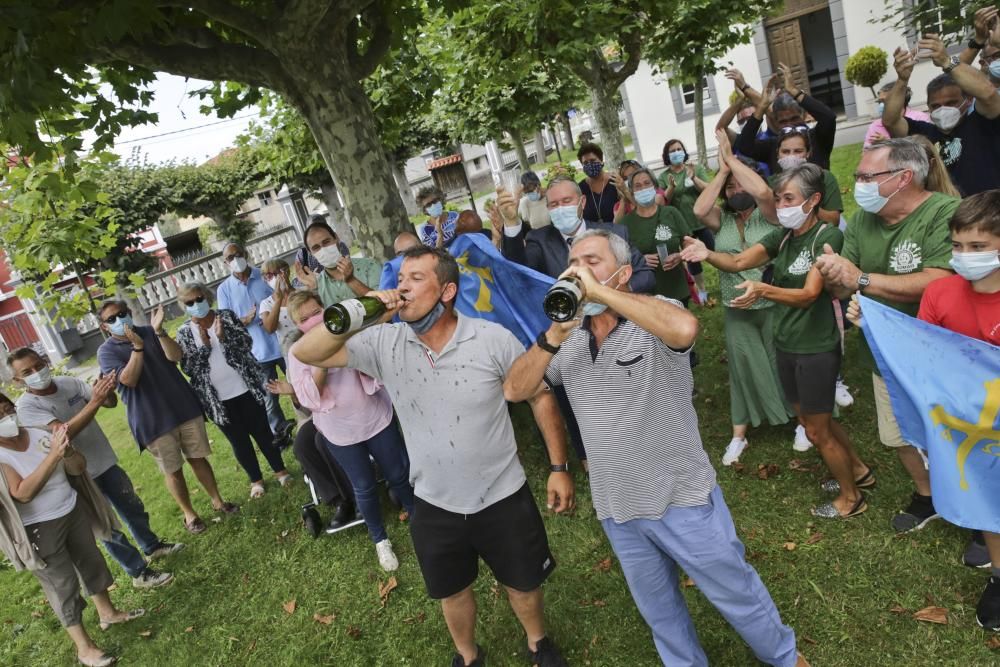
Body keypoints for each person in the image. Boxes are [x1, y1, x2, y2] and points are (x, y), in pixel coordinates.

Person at [503, 230, 810, 667]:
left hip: (681, 496)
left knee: (735, 590)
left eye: (592, 261)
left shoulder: (660, 316)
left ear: (623, 274)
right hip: (618, 507)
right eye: (572, 263)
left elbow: (686, 329)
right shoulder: (566, 340)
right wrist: (554, 331)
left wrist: (604, 295)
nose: (577, 271)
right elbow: (516, 390)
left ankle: (785, 657)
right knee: (659, 611)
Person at [292, 245, 575, 667]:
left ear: (446, 291)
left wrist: (558, 467)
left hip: (503, 494)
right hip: (434, 500)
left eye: (415, 278)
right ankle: (467, 654)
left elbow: (537, 396)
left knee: (523, 582)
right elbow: (307, 352)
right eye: (400, 278)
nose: (401, 286)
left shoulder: (491, 338)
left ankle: (538, 642)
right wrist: (362, 311)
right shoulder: (384, 342)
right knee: (452, 590)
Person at [847, 189, 1000, 630]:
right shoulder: (941, 291)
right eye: (957, 246)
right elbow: (923, 351)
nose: (964, 256)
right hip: (967, 426)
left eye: (978, 247)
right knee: (987, 499)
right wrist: (873, 322)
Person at [683, 162, 872, 519]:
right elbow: (739, 261)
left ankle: (851, 499)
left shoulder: (825, 237)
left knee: (816, 430)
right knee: (817, 422)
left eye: (789, 198)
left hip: (815, 346)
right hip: (786, 342)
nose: (781, 205)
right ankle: (858, 471)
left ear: (814, 200)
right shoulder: (783, 237)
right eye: (780, 197)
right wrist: (707, 254)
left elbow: (808, 295)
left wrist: (764, 289)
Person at [813, 137, 958, 533]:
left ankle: (977, 513)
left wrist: (858, 278)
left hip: (939, 350)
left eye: (865, 176)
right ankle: (927, 496)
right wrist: (835, 277)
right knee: (897, 435)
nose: (856, 183)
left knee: (953, 434)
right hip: (883, 351)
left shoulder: (945, 213)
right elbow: (848, 286)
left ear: (903, 178)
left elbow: (939, 282)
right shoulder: (862, 221)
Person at [499, 175, 656, 467]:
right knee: (569, 389)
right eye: (553, 204)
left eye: (566, 201)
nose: (560, 208)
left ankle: (637, 434)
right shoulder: (538, 238)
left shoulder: (613, 232)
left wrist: (609, 296)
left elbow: (644, 273)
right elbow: (518, 270)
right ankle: (587, 454)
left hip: (616, 326)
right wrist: (511, 225)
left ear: (582, 202)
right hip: (569, 333)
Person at [11, 349, 180, 589]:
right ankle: (139, 572)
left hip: (104, 461)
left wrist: (106, 389)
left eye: (38, 365)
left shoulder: (68, 382)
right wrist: (96, 401)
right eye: (27, 372)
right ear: (18, 381)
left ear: (46, 362)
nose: (37, 373)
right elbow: (63, 434)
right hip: (76, 474)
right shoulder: (27, 407)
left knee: (132, 506)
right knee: (106, 526)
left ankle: (152, 546)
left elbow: (109, 403)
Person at [271, 290, 414, 571]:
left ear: (325, 308)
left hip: (374, 416)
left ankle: (418, 516)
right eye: (304, 319)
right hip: (340, 431)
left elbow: (375, 345)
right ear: (297, 325)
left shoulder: (350, 330)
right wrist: (319, 360)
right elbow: (309, 398)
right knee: (363, 486)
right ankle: (380, 540)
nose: (313, 320)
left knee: (398, 473)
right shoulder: (299, 354)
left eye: (316, 312)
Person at [0, 395, 144, 667]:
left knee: (92, 562)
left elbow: (78, 469)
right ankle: (84, 648)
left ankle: (108, 613)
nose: (7, 418)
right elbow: (22, 493)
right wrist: (54, 456)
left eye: (8, 409)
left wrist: (67, 453)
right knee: (62, 585)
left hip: (71, 508)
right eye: (0, 415)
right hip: (38, 528)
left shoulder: (38, 433)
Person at [690, 133, 797, 463]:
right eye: (731, 189)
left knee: (783, 364)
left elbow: (764, 191)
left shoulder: (770, 214)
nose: (737, 192)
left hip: (773, 302)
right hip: (735, 307)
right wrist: (722, 173)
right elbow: (698, 208)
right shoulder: (720, 221)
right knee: (741, 369)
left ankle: (801, 423)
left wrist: (732, 159)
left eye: (741, 186)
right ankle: (739, 436)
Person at [97, 301, 239, 534]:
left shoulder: (151, 331)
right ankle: (189, 514)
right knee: (172, 469)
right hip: (152, 420)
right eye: (112, 319)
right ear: (104, 326)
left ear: (130, 313)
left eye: (122, 314)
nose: (119, 320)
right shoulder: (106, 352)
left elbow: (176, 356)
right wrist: (137, 348)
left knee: (198, 457)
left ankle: (218, 500)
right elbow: (129, 379)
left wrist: (159, 331)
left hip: (183, 407)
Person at [163, 282, 292, 499]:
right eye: (190, 302)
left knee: (262, 432)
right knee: (238, 441)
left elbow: (246, 343)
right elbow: (189, 369)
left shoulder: (226, 316)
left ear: (206, 297)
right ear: (184, 306)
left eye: (199, 299)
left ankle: (281, 472)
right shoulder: (185, 332)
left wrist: (223, 338)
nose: (196, 304)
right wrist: (204, 346)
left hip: (246, 388)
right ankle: (256, 480)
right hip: (217, 399)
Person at [883, 33, 1000, 196]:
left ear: (968, 99)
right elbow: (890, 120)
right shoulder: (925, 133)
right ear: (928, 108)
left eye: (951, 103)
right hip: (946, 215)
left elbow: (988, 94)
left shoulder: (984, 122)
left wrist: (947, 62)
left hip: (987, 210)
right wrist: (902, 79)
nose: (943, 109)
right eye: (935, 106)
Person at [216, 241, 294, 447]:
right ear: (225, 263)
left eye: (238, 254)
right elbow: (225, 322)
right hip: (257, 352)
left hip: (286, 344)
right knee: (269, 399)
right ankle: (281, 437)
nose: (235, 260)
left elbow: (285, 298)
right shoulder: (224, 289)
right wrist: (244, 320)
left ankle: (310, 422)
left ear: (245, 253)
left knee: (298, 386)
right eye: (230, 258)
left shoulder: (264, 274)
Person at [735, 63, 837, 172]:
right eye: (783, 121)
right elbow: (744, 146)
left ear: (803, 115)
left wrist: (794, 91)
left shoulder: (818, 138)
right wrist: (761, 107)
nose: (790, 124)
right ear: (777, 123)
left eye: (794, 118)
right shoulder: (772, 145)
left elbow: (828, 118)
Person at [619, 167, 692, 304]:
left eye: (647, 183)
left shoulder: (671, 213)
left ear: (655, 186)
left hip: (677, 290)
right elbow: (618, 261)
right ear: (632, 192)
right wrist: (638, 262)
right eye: (638, 186)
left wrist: (681, 256)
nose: (643, 188)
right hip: (645, 296)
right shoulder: (626, 224)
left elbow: (688, 242)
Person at [656, 139, 714, 302]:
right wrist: (671, 187)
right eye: (672, 151)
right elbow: (663, 200)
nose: (676, 153)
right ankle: (702, 290)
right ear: (667, 155)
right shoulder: (663, 176)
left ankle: (729, 276)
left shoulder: (695, 168)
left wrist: (694, 178)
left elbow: (708, 189)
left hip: (702, 220)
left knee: (714, 251)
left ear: (684, 151)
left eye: (679, 149)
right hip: (683, 226)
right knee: (692, 260)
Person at [296, 218, 382, 307]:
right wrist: (314, 291)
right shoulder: (318, 285)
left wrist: (351, 280)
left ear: (336, 238)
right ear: (311, 253)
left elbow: (382, 303)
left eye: (326, 242)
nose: (323, 250)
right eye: (316, 247)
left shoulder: (370, 266)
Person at [864, 82, 930, 147]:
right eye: (880, 102)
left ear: (900, 100)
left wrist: (887, 143)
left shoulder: (920, 118)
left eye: (885, 101)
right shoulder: (875, 126)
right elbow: (866, 153)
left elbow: (926, 147)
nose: (881, 105)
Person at [260, 258, 298, 357]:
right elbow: (270, 328)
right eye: (267, 276)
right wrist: (278, 301)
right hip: (291, 353)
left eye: (275, 273)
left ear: (285, 272)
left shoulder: (302, 293)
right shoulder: (266, 303)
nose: (272, 278)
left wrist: (289, 290)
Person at [611, 159, 665, 223]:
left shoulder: (655, 193)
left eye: (631, 176)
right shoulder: (619, 205)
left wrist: (626, 191)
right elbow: (617, 224)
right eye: (625, 179)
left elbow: (649, 210)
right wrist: (623, 198)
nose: (628, 180)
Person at [578, 142, 618, 223]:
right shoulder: (580, 188)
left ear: (601, 160)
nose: (590, 164)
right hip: (591, 234)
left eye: (593, 160)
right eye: (585, 163)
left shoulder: (615, 181)